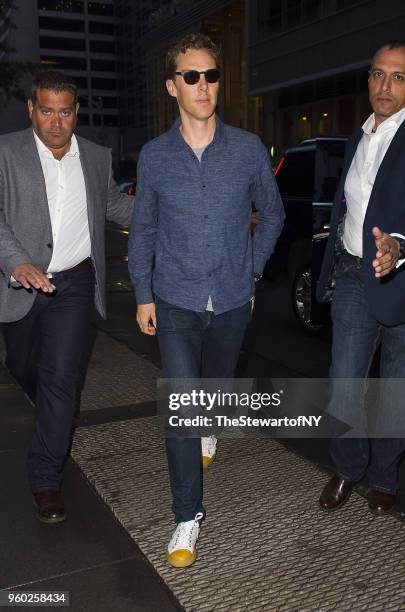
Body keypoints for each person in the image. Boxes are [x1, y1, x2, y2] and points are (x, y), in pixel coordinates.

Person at [128, 33, 284, 567]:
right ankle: (187, 516)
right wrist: (144, 294)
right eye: (191, 76)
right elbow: (143, 228)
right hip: (175, 298)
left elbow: (275, 213)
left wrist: (253, 266)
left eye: (211, 75)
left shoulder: (246, 149)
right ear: (173, 86)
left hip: (234, 299)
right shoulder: (154, 156)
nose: (203, 85)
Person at [0, 71, 133, 524]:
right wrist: (15, 260)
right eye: (46, 110)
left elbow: (112, 205)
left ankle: (46, 478)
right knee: (24, 368)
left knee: (60, 378)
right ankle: (54, 417)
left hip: (74, 283)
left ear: (76, 113)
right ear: (32, 111)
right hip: (20, 284)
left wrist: (174, 206)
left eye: (64, 111)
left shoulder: (95, 157)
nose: (55, 121)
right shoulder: (6, 152)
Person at [317, 41, 405, 516]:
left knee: (397, 388)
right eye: (377, 74)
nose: (384, 86)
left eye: (398, 77)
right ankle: (348, 468)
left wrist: (400, 246)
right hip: (354, 272)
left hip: (404, 282)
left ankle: (384, 478)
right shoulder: (357, 137)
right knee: (344, 383)